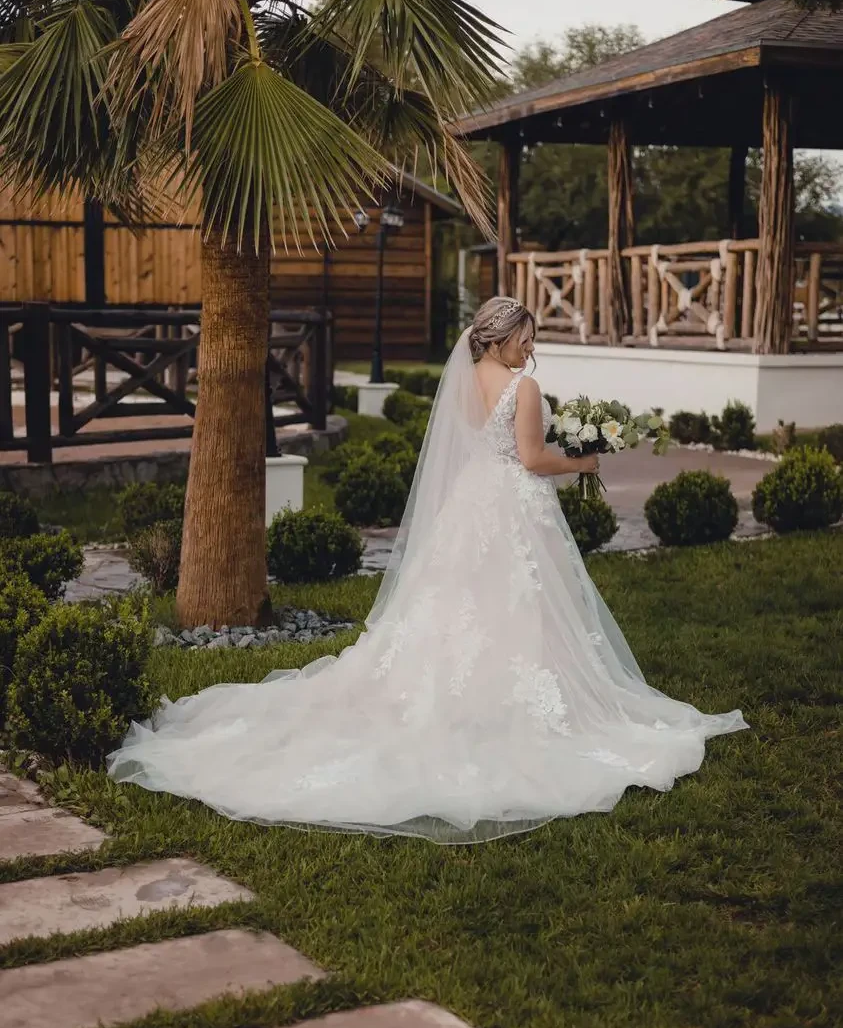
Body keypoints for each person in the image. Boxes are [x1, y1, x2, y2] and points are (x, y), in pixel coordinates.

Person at [109, 296, 747, 843]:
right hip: (512, 508)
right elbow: (529, 458)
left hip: (470, 503)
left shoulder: (466, 378)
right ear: (501, 338)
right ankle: (513, 707)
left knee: (454, 601)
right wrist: (582, 463)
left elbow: (480, 446)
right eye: (526, 340)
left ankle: (459, 693)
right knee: (520, 601)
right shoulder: (522, 387)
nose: (531, 350)